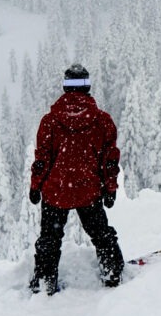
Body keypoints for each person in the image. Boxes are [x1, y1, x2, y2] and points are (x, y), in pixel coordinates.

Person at [28, 64, 124, 294]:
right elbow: (109, 160)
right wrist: (110, 188)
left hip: (56, 191)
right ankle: (112, 272)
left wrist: (35, 185)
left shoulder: (50, 121)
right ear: (88, 87)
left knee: (49, 240)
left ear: (64, 86)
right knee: (101, 235)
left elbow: (42, 158)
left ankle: (44, 282)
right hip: (88, 191)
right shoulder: (102, 121)